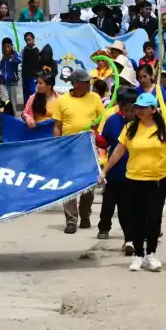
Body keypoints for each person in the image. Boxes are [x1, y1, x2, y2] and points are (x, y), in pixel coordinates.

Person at [99, 93, 166, 272]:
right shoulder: (130, 128)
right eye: (137, 107)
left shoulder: (164, 128)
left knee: (153, 218)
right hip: (133, 179)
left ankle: (151, 254)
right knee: (136, 218)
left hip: (157, 180)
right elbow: (118, 151)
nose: (138, 110)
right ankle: (138, 255)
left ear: (153, 110)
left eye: (143, 107)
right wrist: (105, 170)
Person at [52, 68, 105, 232]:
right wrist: (57, 146)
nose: (89, 84)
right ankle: (71, 220)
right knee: (69, 185)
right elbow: (57, 126)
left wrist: (98, 130)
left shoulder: (95, 98)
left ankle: (85, 214)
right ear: (75, 84)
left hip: (89, 147)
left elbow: (102, 119)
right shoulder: (62, 101)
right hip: (69, 148)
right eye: (85, 82)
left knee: (89, 185)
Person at [96, 87, 137, 254]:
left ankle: (130, 239)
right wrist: (94, 138)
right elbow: (104, 142)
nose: (129, 114)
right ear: (120, 107)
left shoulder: (144, 122)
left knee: (128, 207)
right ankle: (104, 227)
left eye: (133, 110)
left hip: (136, 171)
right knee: (109, 202)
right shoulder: (112, 120)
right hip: (115, 170)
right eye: (125, 110)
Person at [0, 37, 21, 103]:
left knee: (17, 107)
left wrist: (13, 56)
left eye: (8, 46)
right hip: (4, 85)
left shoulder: (16, 55)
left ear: (11, 46)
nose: (6, 49)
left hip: (15, 85)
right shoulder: (1, 59)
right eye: (4, 47)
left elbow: (19, 62)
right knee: (5, 105)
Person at [21, 32, 40, 102]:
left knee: (33, 93)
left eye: (29, 40)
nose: (28, 42)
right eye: (26, 40)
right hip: (25, 76)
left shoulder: (38, 50)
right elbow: (22, 63)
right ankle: (26, 110)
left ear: (33, 39)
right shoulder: (24, 50)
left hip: (34, 77)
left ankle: (34, 110)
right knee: (25, 94)